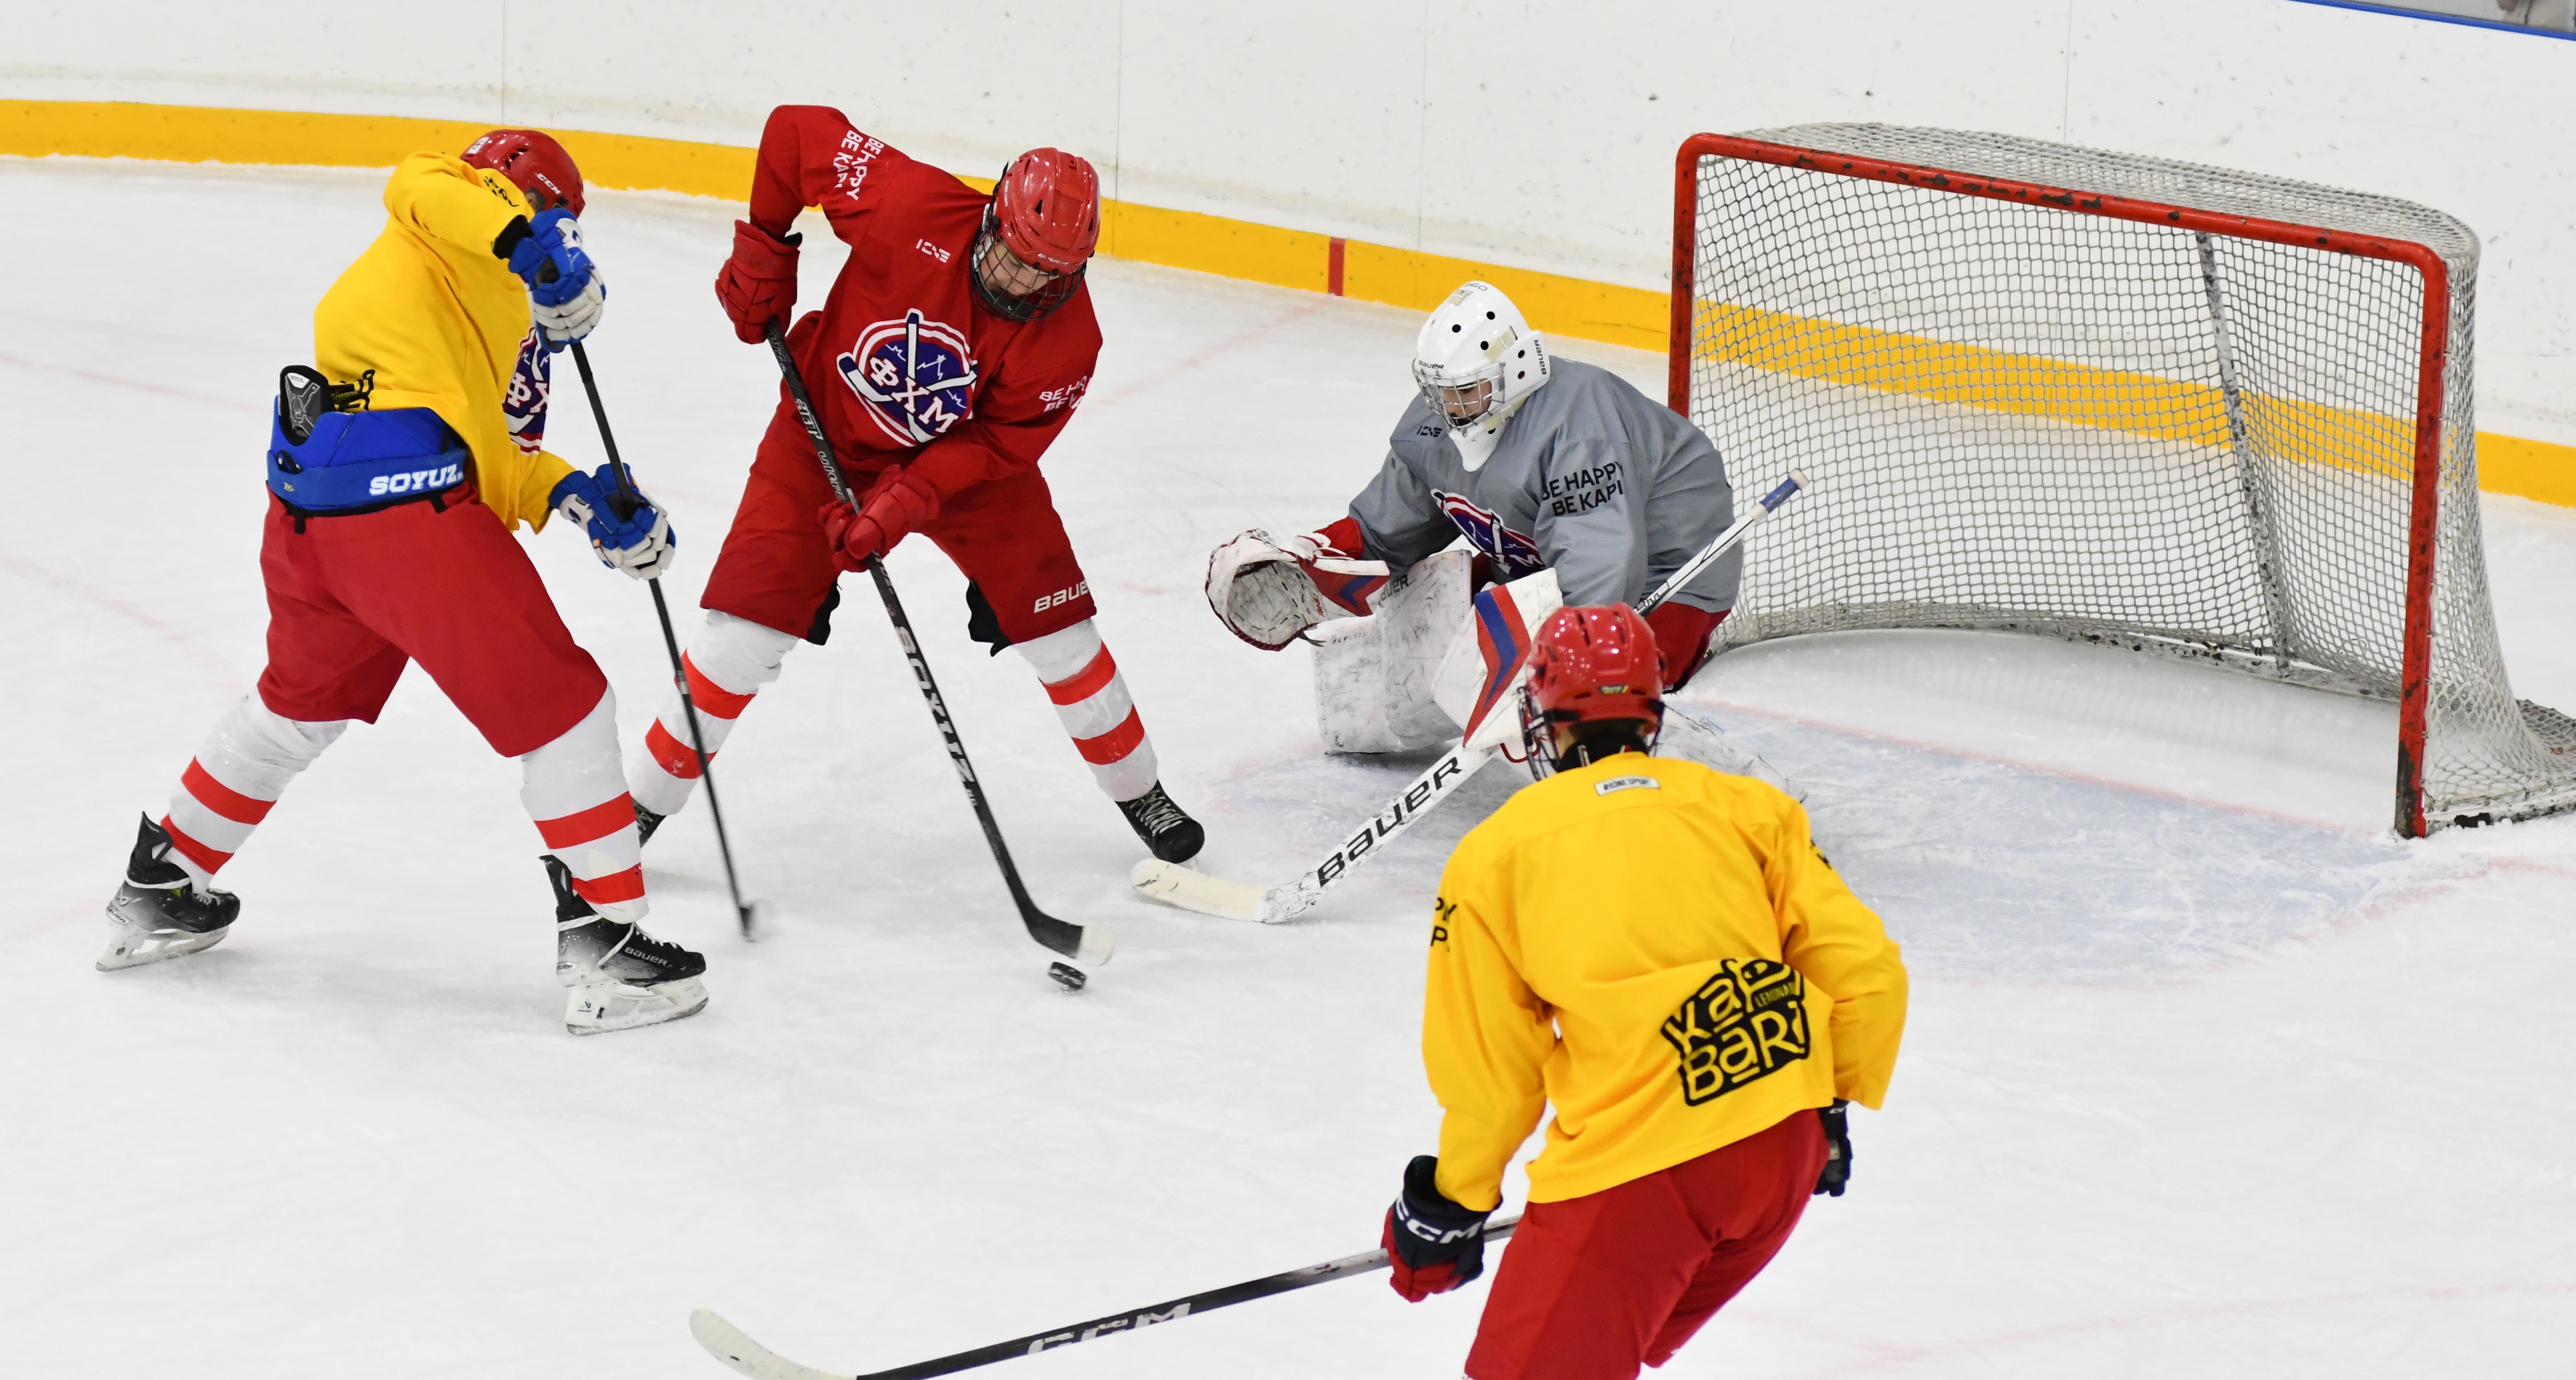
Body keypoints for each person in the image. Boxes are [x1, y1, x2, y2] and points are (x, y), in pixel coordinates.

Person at [99, 130, 706, 1036]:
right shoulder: (444, 210)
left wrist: (581, 501)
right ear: (526, 202)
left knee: (298, 707)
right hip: (398, 517)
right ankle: (608, 953)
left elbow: (495, 464)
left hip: (315, 514)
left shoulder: (480, 320)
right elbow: (429, 185)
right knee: (566, 709)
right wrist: (530, 243)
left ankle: (160, 882)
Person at [628, 105, 1204, 863]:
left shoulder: (1068, 340)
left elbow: (998, 443)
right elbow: (795, 133)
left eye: (1049, 275)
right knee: (741, 638)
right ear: (993, 216)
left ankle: (1141, 789)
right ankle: (633, 810)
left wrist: (903, 499)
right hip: (821, 436)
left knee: (1061, 632)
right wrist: (766, 248)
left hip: (970, 474)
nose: (1026, 281)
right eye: (1016, 259)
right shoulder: (909, 205)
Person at [1381, 604, 1907, 1380]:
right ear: (1650, 712)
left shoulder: (1497, 853)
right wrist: (1825, 1110)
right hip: (1780, 1151)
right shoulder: (1750, 809)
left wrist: (1451, 1203)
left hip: (1642, 1173)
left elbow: (1494, 1074)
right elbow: (1867, 973)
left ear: (1544, 719)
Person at [1202, 279, 1785, 787]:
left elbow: (1602, 579)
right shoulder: (1437, 421)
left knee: (1596, 708)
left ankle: (1733, 796)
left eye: (1466, 392)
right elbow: (1386, 529)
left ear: (1517, 372)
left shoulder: (1578, 429)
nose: (1451, 409)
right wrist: (1318, 556)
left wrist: (1548, 674)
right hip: (1537, 562)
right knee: (1423, 623)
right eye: (1441, 392)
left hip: (1664, 577)